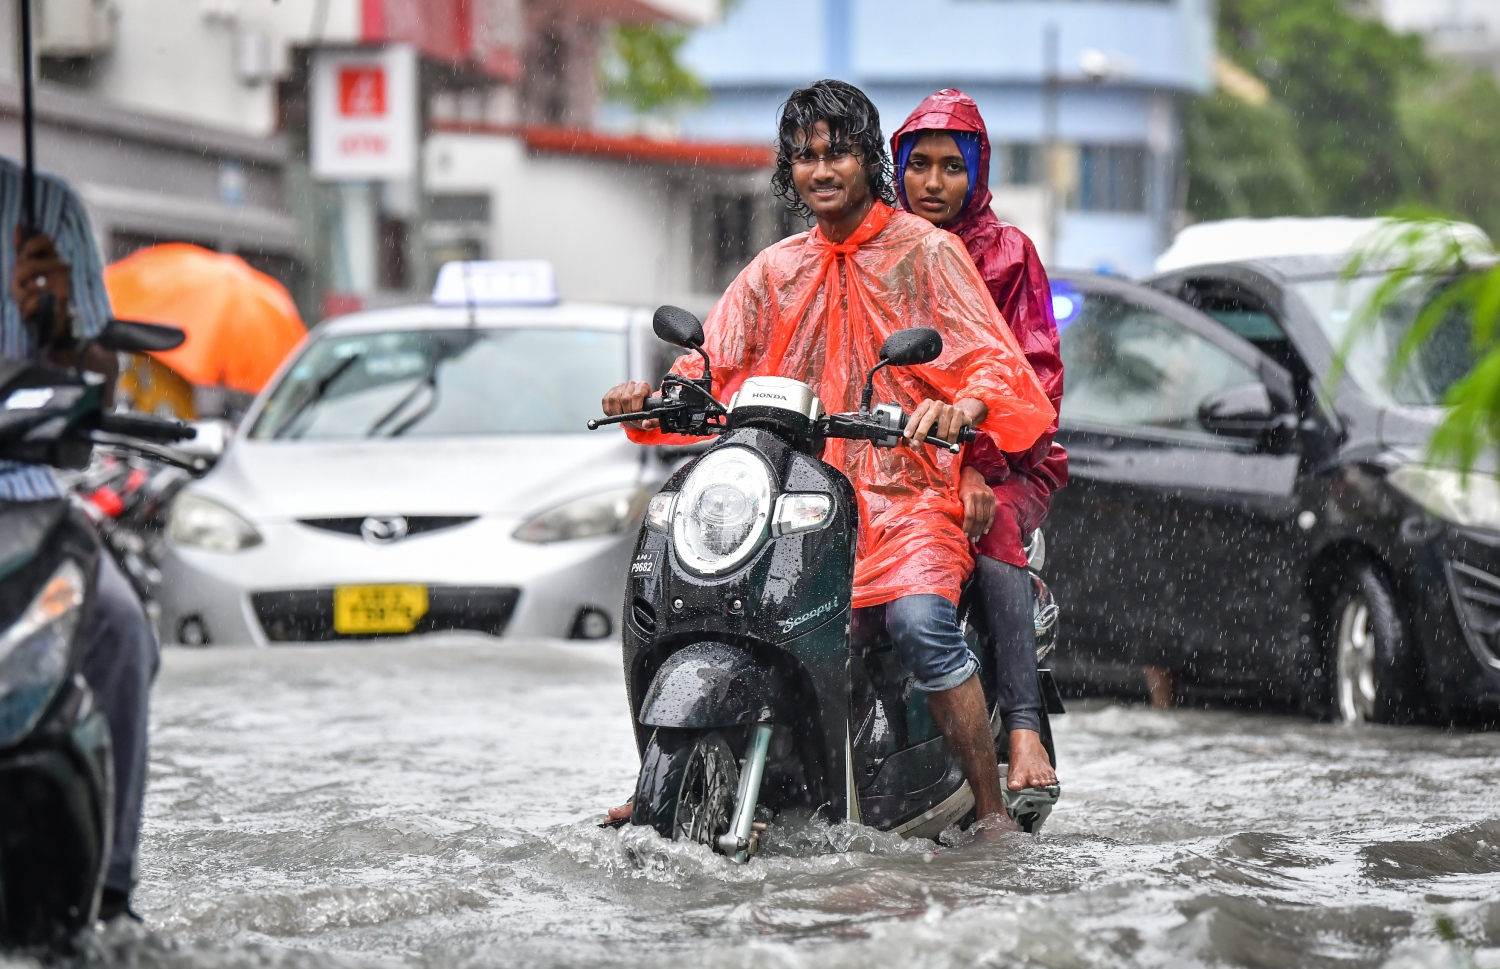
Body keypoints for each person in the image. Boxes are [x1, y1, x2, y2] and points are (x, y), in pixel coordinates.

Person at [602, 80, 1054, 829]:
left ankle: (988, 801)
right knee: (714, 607)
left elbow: (996, 366)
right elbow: (709, 364)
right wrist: (652, 398)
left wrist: (960, 407)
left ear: (867, 160)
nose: (820, 169)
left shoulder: (929, 255)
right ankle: (671, 771)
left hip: (909, 499)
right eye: (804, 156)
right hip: (797, 500)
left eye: (837, 152)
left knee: (919, 624)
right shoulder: (773, 269)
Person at [890, 89, 1066, 793]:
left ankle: (1022, 730)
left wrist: (974, 464)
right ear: (896, 167)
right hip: (903, 458)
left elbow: (1034, 381)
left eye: (951, 167)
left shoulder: (1011, 254)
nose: (933, 184)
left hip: (1011, 460)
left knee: (991, 534)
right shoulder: (883, 252)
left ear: (978, 173)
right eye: (919, 164)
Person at [0, 155, 157, 921]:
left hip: (27, 501)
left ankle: (110, 893)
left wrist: (60, 322)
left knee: (122, 630)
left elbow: (105, 377)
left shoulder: (46, 210)